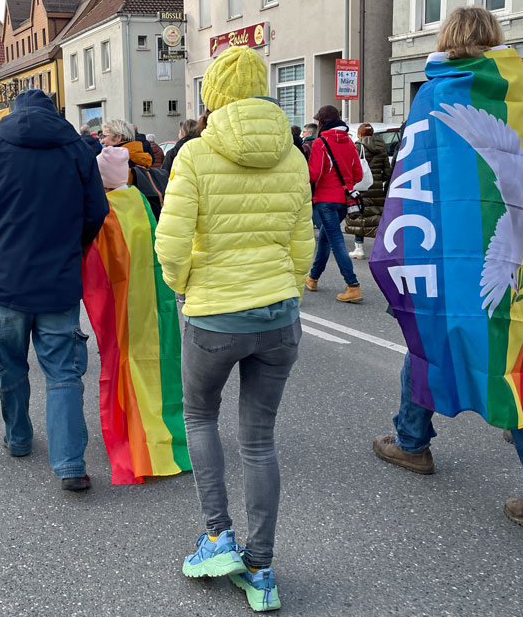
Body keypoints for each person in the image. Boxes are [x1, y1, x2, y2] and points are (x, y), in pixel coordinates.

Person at [370, 7, 523, 534]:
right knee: (512, 359)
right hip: (510, 251)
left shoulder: (432, 94)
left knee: (428, 339)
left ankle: (412, 442)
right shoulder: (521, 93)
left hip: (442, 249)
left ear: (445, 40)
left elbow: (413, 178)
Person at [155, 46, 313, 613]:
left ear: (213, 96)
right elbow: (303, 243)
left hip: (214, 314)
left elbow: (171, 244)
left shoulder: (196, 154)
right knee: (260, 439)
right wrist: (287, 290)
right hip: (278, 313)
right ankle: (262, 570)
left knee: (200, 416)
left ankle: (218, 537)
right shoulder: (293, 156)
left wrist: (184, 288)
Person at [0, 88, 109, 491]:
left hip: (3, 279)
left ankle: (19, 437)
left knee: (9, 364)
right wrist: (73, 249)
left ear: (14, 112)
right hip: (58, 279)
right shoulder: (75, 148)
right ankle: (70, 463)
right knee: (63, 371)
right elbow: (96, 210)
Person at [81, 147, 190, 485]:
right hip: (154, 305)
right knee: (159, 367)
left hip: (121, 305)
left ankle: (134, 436)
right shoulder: (140, 202)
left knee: (124, 364)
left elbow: (96, 262)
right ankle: (168, 437)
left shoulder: (104, 210)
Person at [306, 104, 364, 304]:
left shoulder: (321, 142)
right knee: (326, 238)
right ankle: (313, 278)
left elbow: (313, 173)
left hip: (325, 200)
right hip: (344, 201)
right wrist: (346, 183)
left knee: (336, 241)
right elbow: (358, 174)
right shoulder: (349, 142)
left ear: (322, 122)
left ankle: (352, 285)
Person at [344, 123, 391, 259]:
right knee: (376, 218)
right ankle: (380, 249)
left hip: (360, 188)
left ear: (359, 134)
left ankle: (359, 249)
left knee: (359, 217)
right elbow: (387, 172)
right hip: (377, 189)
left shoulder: (357, 147)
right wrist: (377, 180)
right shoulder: (382, 148)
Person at [100, 119, 154, 183]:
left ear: (118, 137)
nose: (102, 141)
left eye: (104, 136)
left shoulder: (115, 161)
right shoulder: (140, 157)